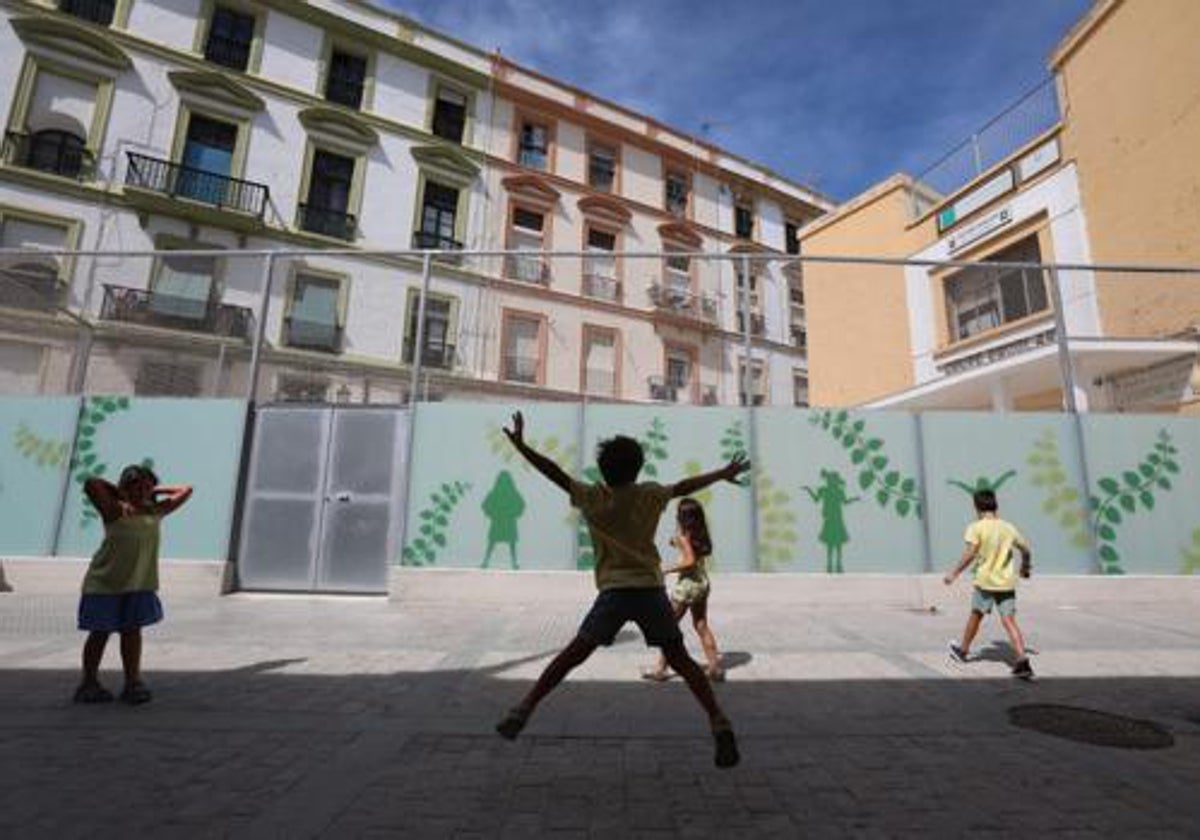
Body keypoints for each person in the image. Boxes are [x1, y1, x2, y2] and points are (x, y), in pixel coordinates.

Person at [494, 412, 748, 768]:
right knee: (681, 660)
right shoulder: (649, 494)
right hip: (649, 590)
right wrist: (722, 473)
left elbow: (554, 474)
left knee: (571, 655)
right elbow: (685, 486)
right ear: (639, 468)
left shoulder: (592, 496)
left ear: (602, 470)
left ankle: (524, 708)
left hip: (614, 593)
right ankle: (718, 721)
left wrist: (522, 447)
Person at [74, 465, 192, 704]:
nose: (142, 491)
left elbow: (186, 490)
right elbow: (92, 483)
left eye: (147, 487)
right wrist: (119, 493)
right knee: (100, 633)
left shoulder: (155, 510)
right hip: (105, 583)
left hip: (139, 583)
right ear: (125, 488)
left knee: (132, 632)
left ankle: (132, 682)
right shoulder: (115, 510)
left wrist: (155, 490)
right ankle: (88, 683)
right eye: (136, 486)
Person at [943, 488, 1034, 680]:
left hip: (985, 582)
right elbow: (1025, 549)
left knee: (976, 616)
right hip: (1006, 583)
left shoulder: (976, 527)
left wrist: (954, 573)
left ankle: (962, 651)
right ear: (995, 505)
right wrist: (1025, 567)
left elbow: (970, 553)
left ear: (976, 507)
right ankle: (1023, 660)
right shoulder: (1008, 527)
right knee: (1009, 620)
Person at [641, 498, 724, 683]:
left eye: (678, 513)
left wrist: (666, 569)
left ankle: (660, 669)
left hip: (687, 587)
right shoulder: (699, 534)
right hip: (702, 583)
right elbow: (693, 553)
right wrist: (677, 542)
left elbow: (689, 561)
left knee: (667, 628)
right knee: (701, 625)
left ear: (682, 517)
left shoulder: (683, 537)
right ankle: (715, 669)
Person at [481, 470, 526, 569]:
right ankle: (486, 561)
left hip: (504, 521)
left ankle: (513, 563)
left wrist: (514, 513)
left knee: (508, 543)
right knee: (495, 543)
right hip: (500, 521)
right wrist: (492, 514)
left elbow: (521, 505)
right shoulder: (498, 492)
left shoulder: (508, 492)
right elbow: (485, 505)